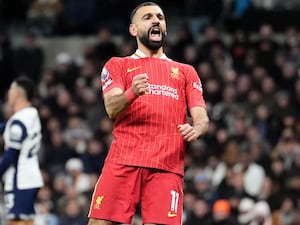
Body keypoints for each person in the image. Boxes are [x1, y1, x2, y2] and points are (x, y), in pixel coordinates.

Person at [87, 2, 209, 225]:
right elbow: (111, 108)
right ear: (133, 29)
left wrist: (197, 128)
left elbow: (201, 115)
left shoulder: (186, 71)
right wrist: (131, 92)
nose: (156, 20)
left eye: (160, 17)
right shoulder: (117, 65)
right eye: (148, 17)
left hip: (167, 164)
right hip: (124, 159)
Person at [0, 76, 44, 225]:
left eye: (11, 89)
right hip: (30, 176)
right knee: (26, 221)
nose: (9, 93)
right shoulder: (32, 114)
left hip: (20, 179)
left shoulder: (19, 119)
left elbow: (12, 153)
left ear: (17, 93)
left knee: (17, 221)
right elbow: (9, 128)